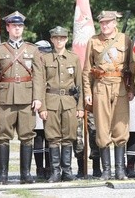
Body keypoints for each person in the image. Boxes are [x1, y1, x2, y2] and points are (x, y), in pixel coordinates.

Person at [82, 10, 135, 180]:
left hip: (120, 86)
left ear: (114, 23)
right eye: (102, 23)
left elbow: (131, 66)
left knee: (121, 127)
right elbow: (86, 70)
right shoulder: (93, 41)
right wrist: (87, 92)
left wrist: (131, 88)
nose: (104, 26)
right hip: (101, 86)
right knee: (102, 128)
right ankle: (106, 170)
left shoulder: (125, 39)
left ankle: (119, 170)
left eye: (108, 22)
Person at [0, 11, 45, 185]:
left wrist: (38, 97)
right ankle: (2, 175)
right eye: (14, 26)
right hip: (4, 99)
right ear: (8, 28)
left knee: (27, 136)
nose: (17, 29)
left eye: (20, 26)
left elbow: (39, 75)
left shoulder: (32, 49)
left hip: (26, 99)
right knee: (2, 136)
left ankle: (25, 174)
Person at [39, 26, 84, 182]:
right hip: (51, 101)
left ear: (66, 39)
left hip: (69, 102)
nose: (59, 41)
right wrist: (42, 107)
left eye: (62, 38)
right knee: (52, 137)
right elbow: (40, 84)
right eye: (56, 38)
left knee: (69, 136)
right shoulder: (45, 59)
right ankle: (55, 171)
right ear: (52, 40)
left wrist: (80, 107)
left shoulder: (74, 58)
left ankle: (67, 171)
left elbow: (80, 84)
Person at [33, 40, 52, 181]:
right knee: (38, 136)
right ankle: (40, 168)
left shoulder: (51, 64)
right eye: (40, 52)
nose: (42, 55)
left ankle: (50, 167)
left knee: (50, 136)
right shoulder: (31, 66)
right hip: (36, 104)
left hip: (51, 103)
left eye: (45, 52)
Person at [125, 96, 135, 178]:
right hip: (117, 96)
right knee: (119, 134)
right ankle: (120, 166)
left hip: (133, 97)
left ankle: (131, 166)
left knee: (133, 132)